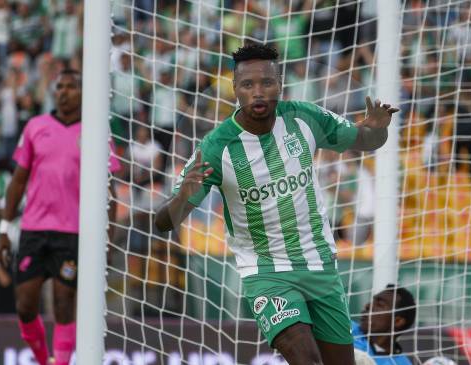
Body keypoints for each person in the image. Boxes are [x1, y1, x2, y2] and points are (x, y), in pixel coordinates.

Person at [155, 44, 399, 365]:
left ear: (279, 83)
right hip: (267, 272)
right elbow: (164, 223)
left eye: (266, 83)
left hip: (319, 265)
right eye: (247, 85)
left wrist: (379, 129)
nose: (258, 92)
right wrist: (182, 197)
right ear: (235, 89)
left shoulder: (304, 117)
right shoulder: (217, 148)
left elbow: (366, 140)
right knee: (306, 360)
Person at [0, 69, 120, 365]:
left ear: (83, 92)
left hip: (72, 233)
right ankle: (43, 360)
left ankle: (60, 363)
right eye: (59, 87)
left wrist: (109, 239)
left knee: (64, 305)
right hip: (33, 230)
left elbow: (110, 192)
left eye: (70, 87)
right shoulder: (36, 127)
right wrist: (3, 228)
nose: (63, 92)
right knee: (25, 305)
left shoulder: (96, 132)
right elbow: (17, 181)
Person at [353, 285, 416, 365]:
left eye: (379, 304)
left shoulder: (402, 363)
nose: (368, 305)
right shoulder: (347, 329)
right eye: (372, 301)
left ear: (398, 321)